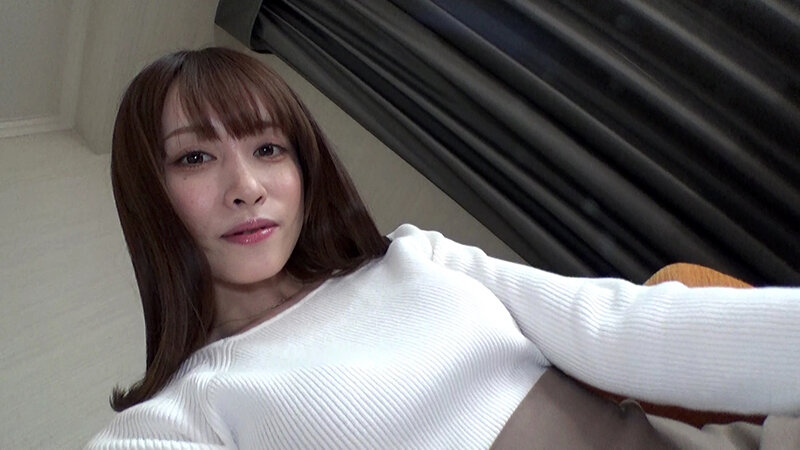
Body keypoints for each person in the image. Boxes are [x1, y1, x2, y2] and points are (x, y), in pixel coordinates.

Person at [87, 47, 800, 449]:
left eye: (268, 148)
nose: (246, 187)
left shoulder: (411, 257)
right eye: (194, 158)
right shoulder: (184, 413)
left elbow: (617, 326)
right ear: (150, 194)